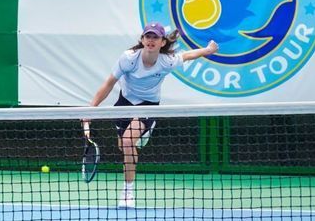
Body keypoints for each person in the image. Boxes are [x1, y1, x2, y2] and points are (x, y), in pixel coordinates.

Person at [89, 22, 219, 208]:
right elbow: (109, 83)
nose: (151, 40)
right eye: (148, 36)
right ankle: (139, 139)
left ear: (162, 42)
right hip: (125, 103)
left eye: (155, 37)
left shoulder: (167, 61)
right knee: (124, 146)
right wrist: (91, 109)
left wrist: (208, 50)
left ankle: (127, 191)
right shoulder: (128, 58)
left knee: (128, 142)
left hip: (148, 106)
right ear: (142, 40)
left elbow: (187, 55)